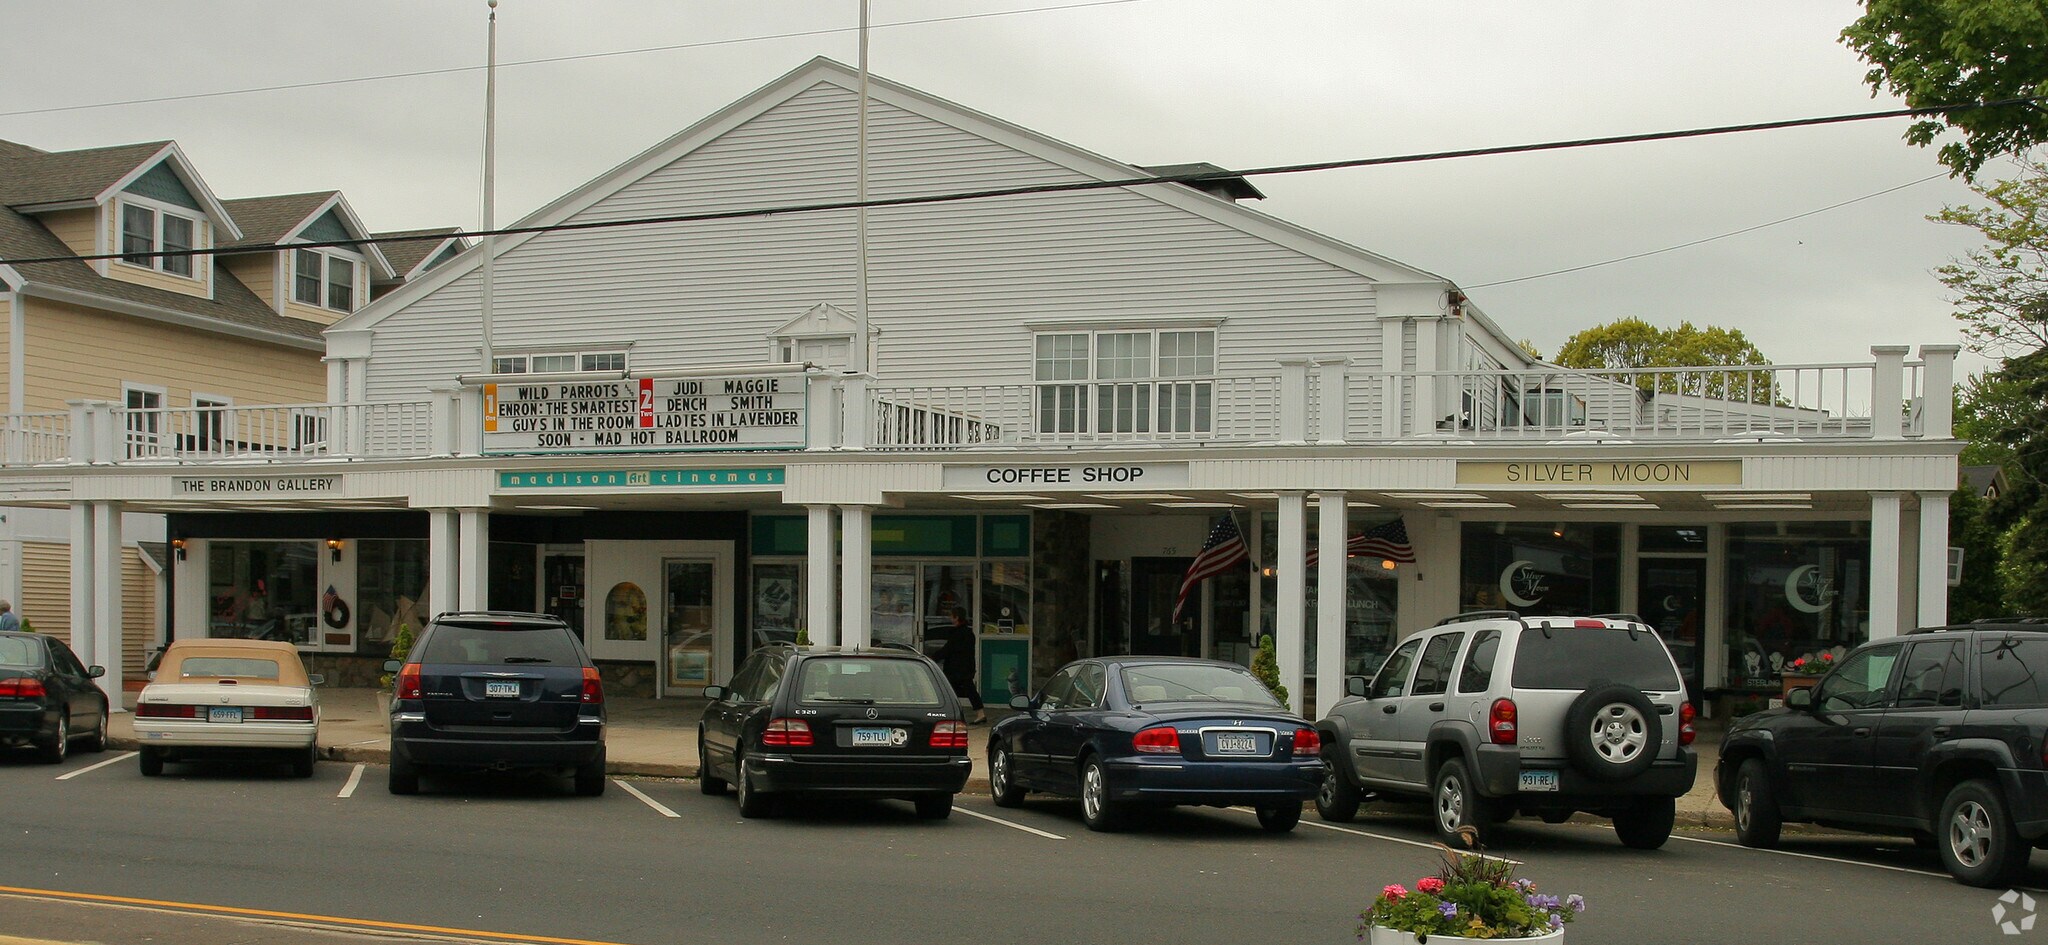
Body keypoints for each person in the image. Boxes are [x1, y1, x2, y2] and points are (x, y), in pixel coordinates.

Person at [936, 607, 986, 724]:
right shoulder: (968, 633)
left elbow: (947, 650)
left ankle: (950, 714)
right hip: (966, 668)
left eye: (952, 616)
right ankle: (980, 713)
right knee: (969, 690)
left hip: (956, 669)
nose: (950, 618)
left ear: (956, 617)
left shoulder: (957, 634)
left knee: (947, 690)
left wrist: (933, 657)